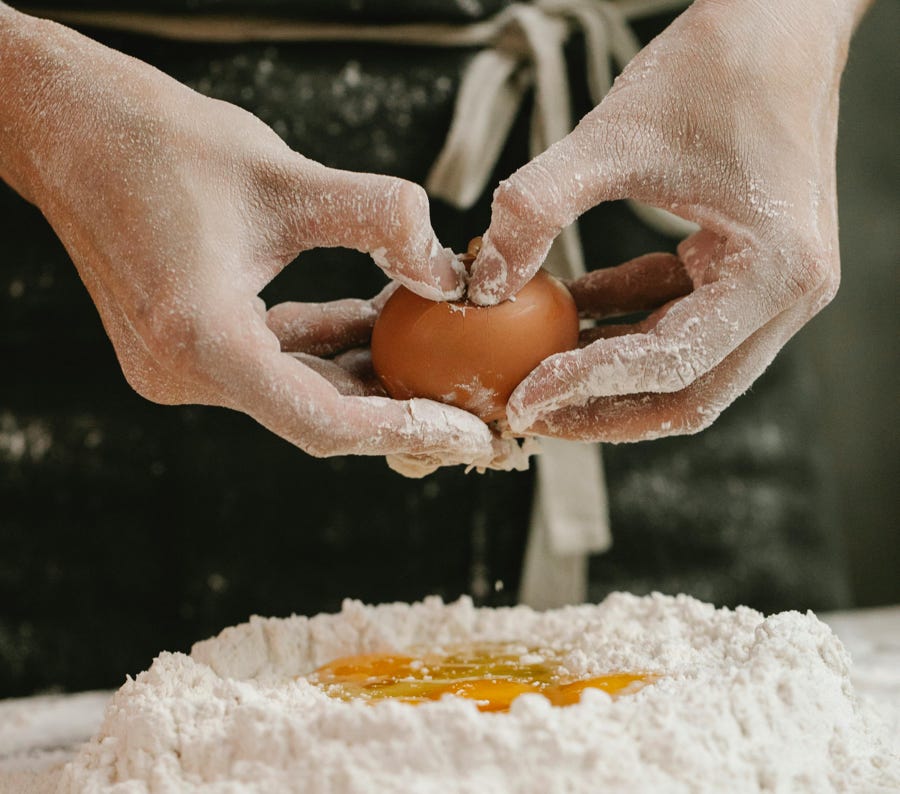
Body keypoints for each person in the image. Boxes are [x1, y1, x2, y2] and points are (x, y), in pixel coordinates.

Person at [0, 0, 868, 695]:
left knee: (745, 727)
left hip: (680, 209)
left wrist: (790, 25)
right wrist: (28, 91)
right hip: (134, 201)